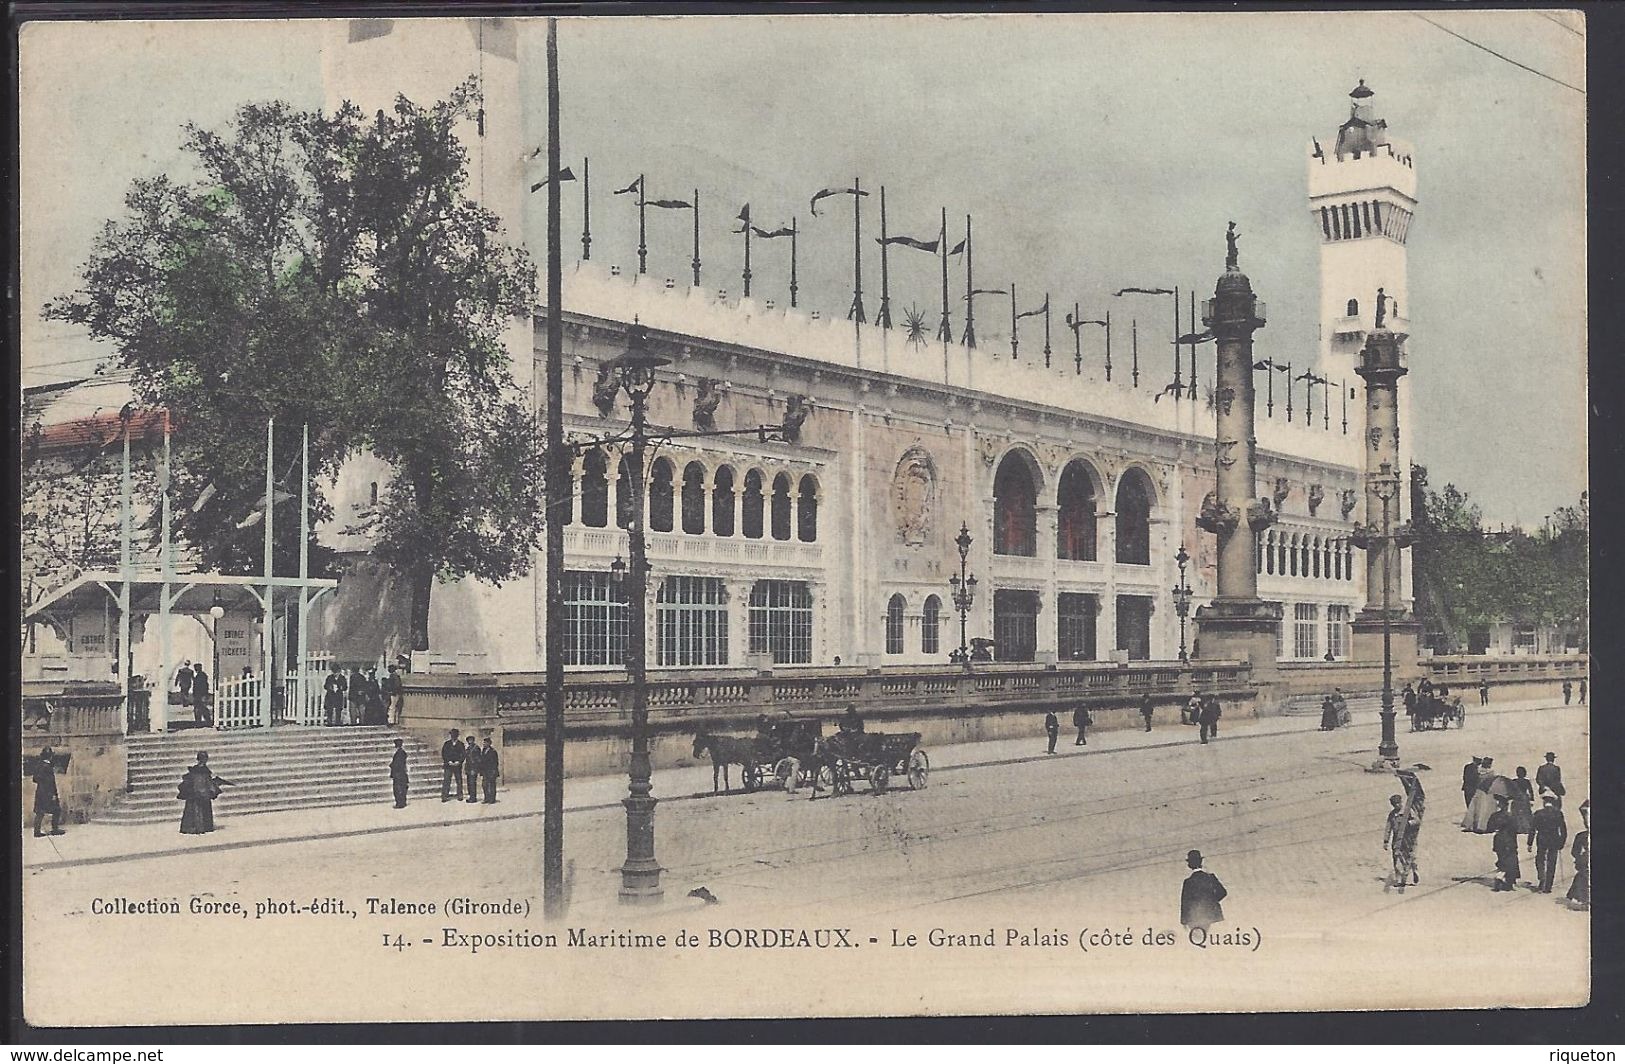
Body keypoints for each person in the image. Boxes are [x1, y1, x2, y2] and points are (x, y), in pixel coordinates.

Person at [178, 752, 229, 835]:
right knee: (198, 809)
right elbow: (205, 782)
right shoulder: (203, 771)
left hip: (197, 792)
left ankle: (195, 826)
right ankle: (201, 826)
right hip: (200, 793)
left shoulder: (194, 770)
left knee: (195, 809)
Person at [1180, 850, 1227, 933]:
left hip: (1194, 917)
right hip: (1212, 916)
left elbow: (1185, 903)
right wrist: (1211, 901)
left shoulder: (1188, 882)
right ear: (1201, 861)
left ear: (1189, 865)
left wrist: (1184, 921)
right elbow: (1223, 892)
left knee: (1198, 940)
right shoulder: (1210, 877)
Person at [1529, 795, 1568, 893]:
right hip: (1554, 840)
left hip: (1542, 839)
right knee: (1552, 862)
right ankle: (1548, 886)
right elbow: (1563, 830)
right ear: (1553, 803)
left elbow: (1532, 829)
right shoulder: (1558, 813)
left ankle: (1542, 879)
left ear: (1544, 803)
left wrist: (1529, 843)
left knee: (1540, 860)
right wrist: (1561, 842)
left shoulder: (1538, 813)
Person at [1383, 794, 1420, 890]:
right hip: (1397, 838)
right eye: (1394, 804)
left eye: (1398, 803)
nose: (1397, 806)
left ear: (1401, 802)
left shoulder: (1407, 811)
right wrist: (1386, 841)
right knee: (1396, 857)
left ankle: (1414, 870)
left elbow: (1417, 820)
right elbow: (1388, 827)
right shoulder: (1392, 815)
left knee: (1410, 856)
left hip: (1408, 837)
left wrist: (1408, 824)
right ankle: (1399, 879)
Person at [29, 746, 66, 837]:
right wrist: (53, 794)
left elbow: (35, 779)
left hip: (40, 792)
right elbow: (50, 783)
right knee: (57, 810)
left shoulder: (39, 765)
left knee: (40, 812)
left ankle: (37, 831)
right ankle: (55, 829)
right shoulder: (47, 767)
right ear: (50, 756)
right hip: (48, 793)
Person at [1489, 796, 1520, 891]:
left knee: (1502, 859)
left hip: (1498, 840)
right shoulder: (1510, 816)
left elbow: (1489, 827)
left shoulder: (1494, 815)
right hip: (1509, 841)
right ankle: (1502, 879)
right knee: (1511, 861)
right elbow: (1516, 829)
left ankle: (1503, 879)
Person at [1461, 756, 1499, 833]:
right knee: (1485, 808)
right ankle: (1483, 825)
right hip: (1487, 792)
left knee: (1476, 808)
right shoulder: (1491, 772)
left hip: (1479, 791)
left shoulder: (1478, 770)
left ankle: (1473, 825)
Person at [1566, 800, 1590, 910]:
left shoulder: (1581, 836)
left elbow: (1574, 852)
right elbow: (1574, 852)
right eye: (1585, 816)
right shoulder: (1581, 836)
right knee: (1582, 876)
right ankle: (1582, 899)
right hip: (1584, 864)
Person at [1508, 766, 1536, 842]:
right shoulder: (1526, 781)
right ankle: (1525, 828)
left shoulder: (1514, 781)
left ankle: (1517, 827)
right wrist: (1532, 799)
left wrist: (1510, 797)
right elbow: (1530, 791)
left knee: (1516, 813)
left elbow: (1510, 791)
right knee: (1525, 813)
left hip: (1517, 798)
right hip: (1524, 798)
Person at [441, 728, 466, 802]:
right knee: (446, 780)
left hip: (457, 765)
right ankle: (444, 796)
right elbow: (444, 753)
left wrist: (459, 762)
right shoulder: (447, 744)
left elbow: (463, 754)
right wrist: (448, 761)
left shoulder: (461, 744)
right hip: (448, 765)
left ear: (457, 735)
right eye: (452, 734)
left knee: (459, 780)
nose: (453, 736)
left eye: (455, 734)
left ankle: (460, 795)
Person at [479, 736, 500, 804]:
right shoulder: (483, 751)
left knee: (492, 786)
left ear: (489, 743)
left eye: (485, 743)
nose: (484, 744)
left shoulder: (493, 751)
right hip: (485, 771)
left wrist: (494, 771)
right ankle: (486, 798)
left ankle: (492, 799)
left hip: (491, 771)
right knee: (484, 785)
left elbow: (495, 762)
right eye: (483, 742)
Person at [389, 739, 409, 808]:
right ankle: (402, 802)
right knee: (402, 788)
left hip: (398, 774)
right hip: (401, 773)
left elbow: (397, 764)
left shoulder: (399, 753)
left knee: (398, 789)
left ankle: (400, 803)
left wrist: (391, 765)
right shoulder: (402, 752)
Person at [464, 734, 481, 804]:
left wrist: (475, 769)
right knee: (469, 784)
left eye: (471, 740)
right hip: (468, 768)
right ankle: (471, 796)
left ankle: (473, 798)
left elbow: (478, 759)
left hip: (473, 768)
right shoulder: (468, 749)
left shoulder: (476, 748)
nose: (469, 741)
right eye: (468, 740)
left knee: (472, 783)